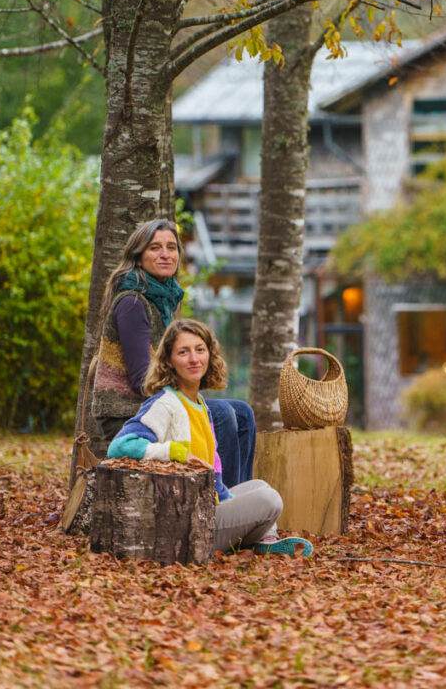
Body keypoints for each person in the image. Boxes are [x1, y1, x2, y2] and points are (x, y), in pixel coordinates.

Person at [108, 319, 312, 556]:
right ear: (168, 361)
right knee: (269, 500)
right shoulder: (164, 405)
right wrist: (174, 452)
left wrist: (230, 501)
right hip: (186, 525)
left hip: (206, 505)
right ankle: (258, 535)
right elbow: (120, 446)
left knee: (259, 487)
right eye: (183, 352)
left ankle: (263, 538)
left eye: (200, 350)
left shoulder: (199, 404)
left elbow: (213, 472)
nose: (194, 359)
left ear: (209, 355)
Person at [91, 218, 255, 484]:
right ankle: (219, 502)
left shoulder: (162, 299)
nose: (165, 254)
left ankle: (238, 495)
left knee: (243, 413)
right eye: (155, 248)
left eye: (171, 247)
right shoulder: (133, 302)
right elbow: (141, 379)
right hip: (128, 413)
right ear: (138, 255)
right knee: (223, 415)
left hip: (152, 403)